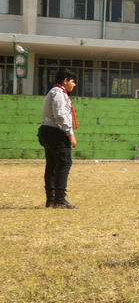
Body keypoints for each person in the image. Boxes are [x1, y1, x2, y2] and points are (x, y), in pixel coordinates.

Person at [38, 67, 79, 209]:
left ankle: (51, 200)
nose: (74, 85)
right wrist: (70, 134)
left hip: (48, 132)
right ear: (65, 80)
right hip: (55, 133)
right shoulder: (58, 93)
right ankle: (59, 199)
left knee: (52, 165)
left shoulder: (54, 92)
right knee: (64, 163)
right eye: (73, 81)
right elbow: (60, 116)